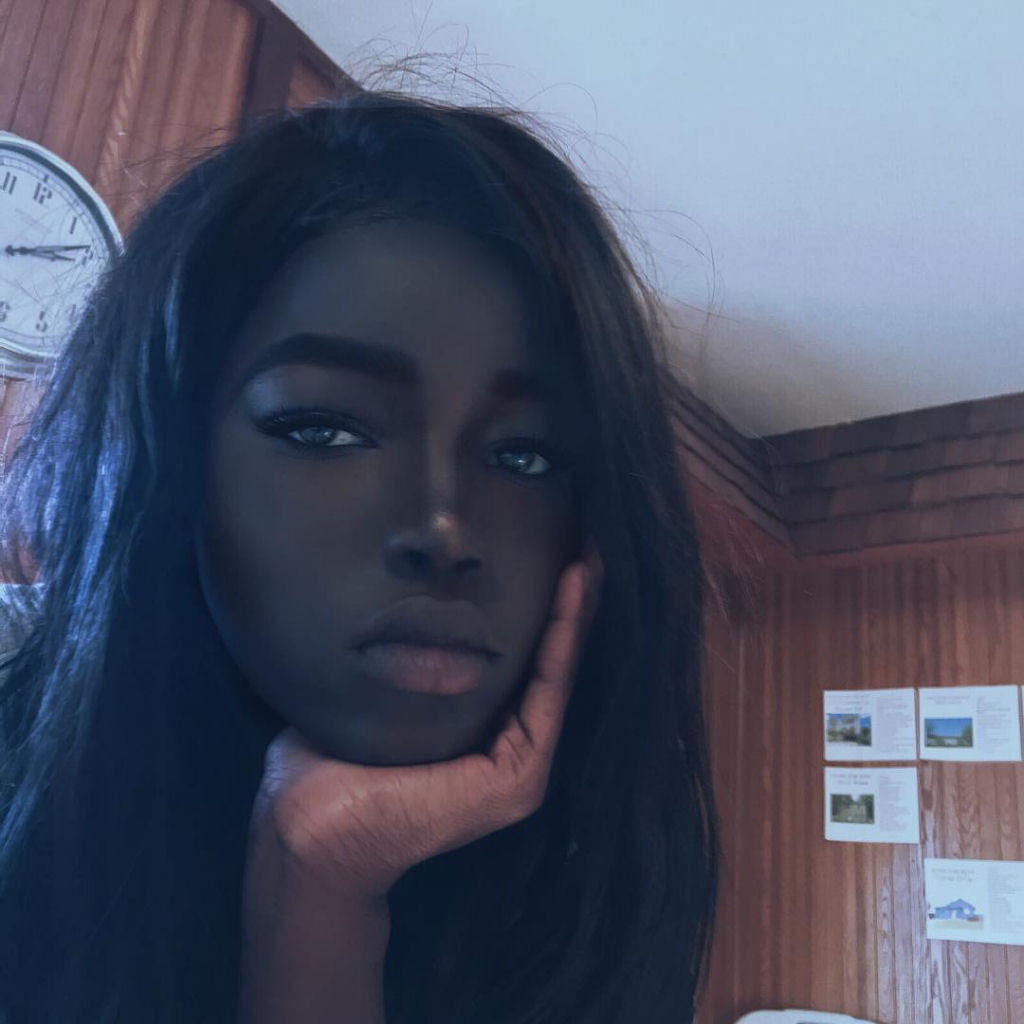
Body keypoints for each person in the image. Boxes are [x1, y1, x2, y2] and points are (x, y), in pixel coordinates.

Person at [0, 80, 718, 1023]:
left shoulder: (599, 879)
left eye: (526, 455)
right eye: (322, 428)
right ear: (170, 466)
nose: (444, 530)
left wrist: (320, 889)